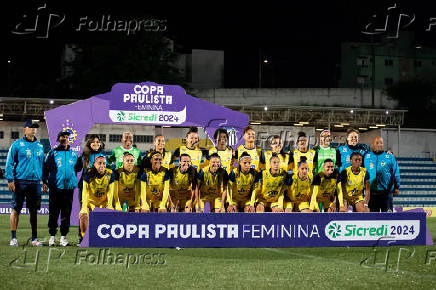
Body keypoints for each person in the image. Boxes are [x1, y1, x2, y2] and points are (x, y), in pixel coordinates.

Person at [5, 120, 44, 246]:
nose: (33, 129)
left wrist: (44, 181)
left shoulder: (40, 146)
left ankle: (34, 239)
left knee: (34, 211)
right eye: (31, 127)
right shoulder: (17, 144)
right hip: (20, 182)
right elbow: (9, 163)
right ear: (25, 129)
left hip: (35, 183)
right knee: (16, 209)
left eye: (35, 127)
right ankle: (13, 238)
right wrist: (10, 180)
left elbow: (41, 165)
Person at [43, 130, 79, 246]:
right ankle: (52, 237)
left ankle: (63, 237)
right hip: (55, 188)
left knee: (66, 213)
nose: (65, 138)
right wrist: (45, 182)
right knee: (54, 213)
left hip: (68, 189)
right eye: (63, 137)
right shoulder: (52, 153)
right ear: (58, 139)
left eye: (67, 137)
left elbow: (77, 168)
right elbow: (45, 169)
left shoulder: (74, 154)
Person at [75, 134, 105, 243]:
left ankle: (97, 236)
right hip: (85, 188)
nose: (96, 144)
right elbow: (76, 169)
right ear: (89, 144)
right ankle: (82, 238)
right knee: (84, 212)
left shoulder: (103, 156)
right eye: (94, 142)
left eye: (98, 142)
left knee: (96, 212)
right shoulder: (84, 156)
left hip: (99, 189)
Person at [79, 154, 115, 237]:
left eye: (104, 163)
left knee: (113, 213)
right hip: (90, 202)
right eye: (99, 163)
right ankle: (84, 237)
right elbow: (84, 191)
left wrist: (109, 205)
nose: (102, 165)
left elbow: (110, 191)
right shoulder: (88, 173)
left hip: (103, 203)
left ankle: (107, 237)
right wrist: (84, 207)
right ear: (94, 164)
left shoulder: (110, 174)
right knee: (83, 215)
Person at [364, 136, 400, 212]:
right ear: (372, 145)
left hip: (386, 193)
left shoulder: (390, 157)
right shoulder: (366, 156)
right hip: (372, 193)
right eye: (377, 143)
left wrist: (397, 187)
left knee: (388, 218)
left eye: (381, 143)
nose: (379, 144)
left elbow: (396, 172)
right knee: (373, 218)